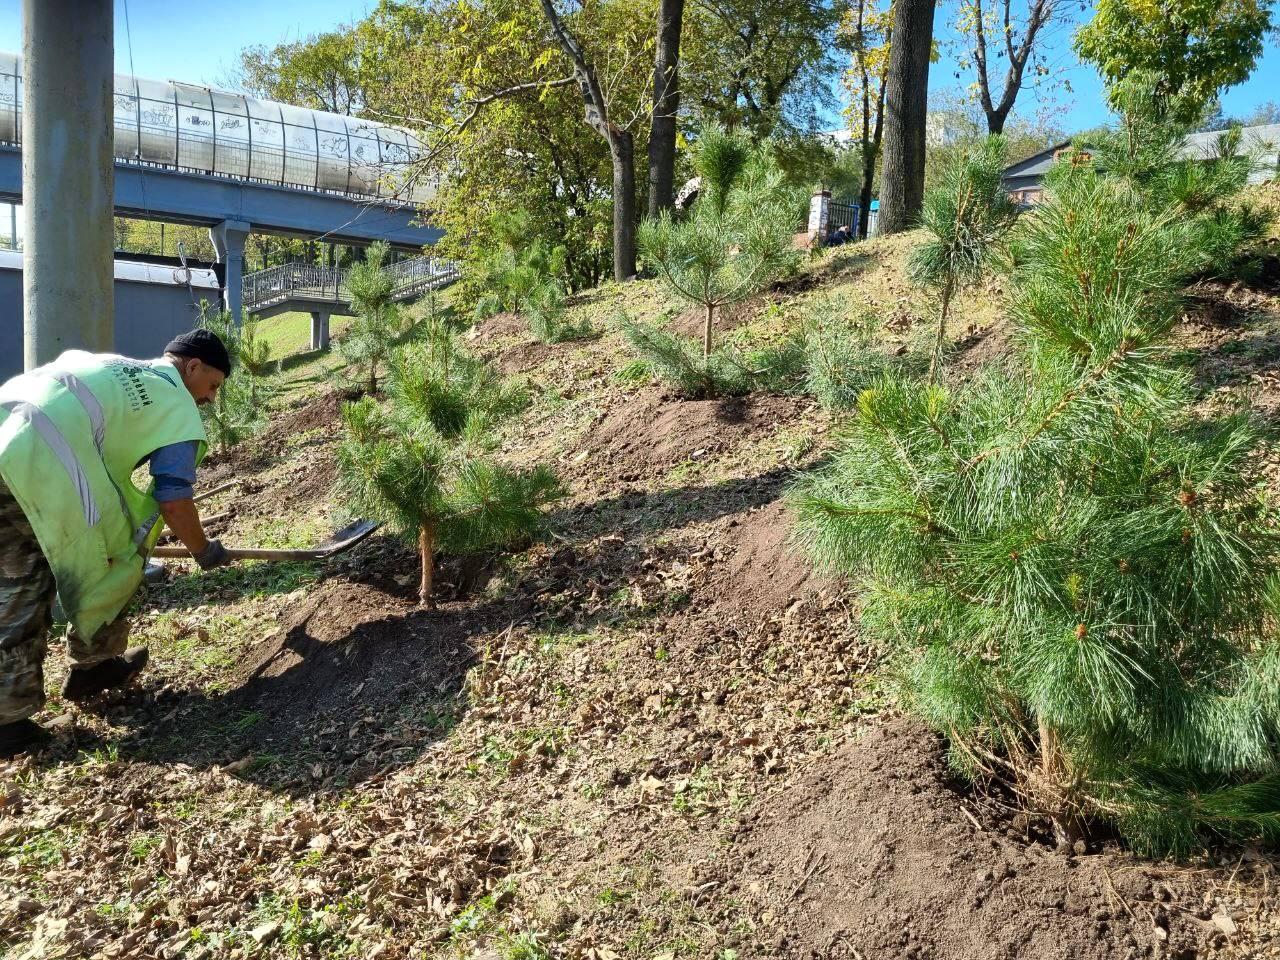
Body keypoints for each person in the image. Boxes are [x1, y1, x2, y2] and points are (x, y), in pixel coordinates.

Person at [0, 330, 236, 758]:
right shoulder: (175, 404)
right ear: (192, 366)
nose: (211, 398)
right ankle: (93, 665)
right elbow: (174, 500)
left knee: (14, 586)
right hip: (41, 464)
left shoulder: (116, 366)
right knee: (117, 558)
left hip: (5, 440)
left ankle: (11, 718)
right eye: (214, 384)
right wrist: (203, 549)